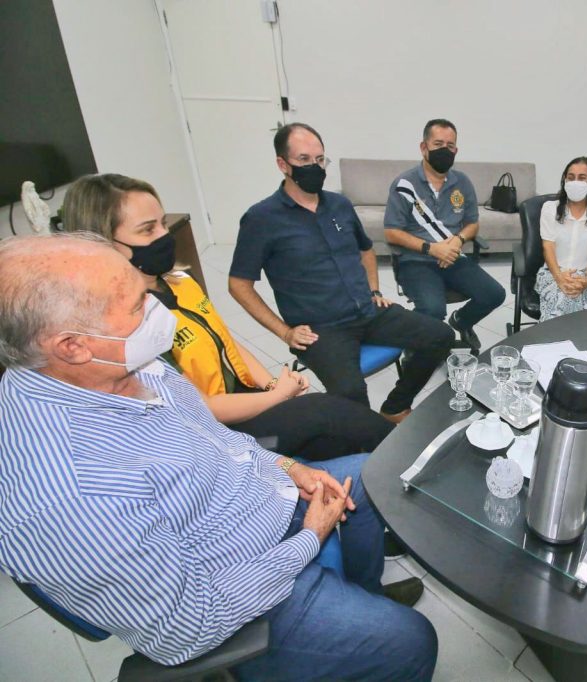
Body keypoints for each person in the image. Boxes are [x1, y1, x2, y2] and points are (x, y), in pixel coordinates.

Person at [0, 233, 437, 680]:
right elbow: (186, 627)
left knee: (373, 474)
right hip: (238, 592)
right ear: (72, 346)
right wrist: (311, 536)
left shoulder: (121, 362)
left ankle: (363, 598)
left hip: (257, 501)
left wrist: (288, 467)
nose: (157, 307)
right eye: (137, 304)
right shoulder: (70, 495)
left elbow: (221, 442)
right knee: (412, 641)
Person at [61, 173, 394, 460]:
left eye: (163, 223)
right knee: (327, 411)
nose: (164, 235)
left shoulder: (180, 282)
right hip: (218, 432)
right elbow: (197, 406)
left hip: (248, 401)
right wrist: (277, 397)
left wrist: (271, 385)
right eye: (148, 230)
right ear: (103, 244)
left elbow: (224, 340)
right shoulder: (124, 326)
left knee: (340, 439)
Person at [229, 123, 454, 424]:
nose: (315, 167)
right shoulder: (261, 218)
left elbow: (366, 250)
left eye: (320, 159)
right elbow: (238, 284)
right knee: (351, 393)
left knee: (441, 336)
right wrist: (285, 332)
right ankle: (367, 442)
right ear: (283, 164)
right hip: (320, 328)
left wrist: (374, 291)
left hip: (367, 311)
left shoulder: (340, 205)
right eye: (304, 160)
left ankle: (395, 407)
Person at [383, 118, 505, 352]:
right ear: (424, 147)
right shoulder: (404, 184)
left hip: (453, 258)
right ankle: (418, 346)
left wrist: (458, 240)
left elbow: (472, 224)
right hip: (417, 261)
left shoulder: (462, 182)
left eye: (450, 146)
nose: (444, 150)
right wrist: (431, 248)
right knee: (433, 309)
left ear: (456, 150)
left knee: (494, 294)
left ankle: (461, 321)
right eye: (438, 144)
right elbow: (391, 232)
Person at [535, 156, 587, 321]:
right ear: (565, 180)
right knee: (564, 299)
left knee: (571, 299)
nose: (575, 182)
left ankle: (556, 334)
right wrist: (559, 277)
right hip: (553, 272)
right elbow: (548, 247)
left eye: (582, 178)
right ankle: (561, 335)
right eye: (571, 177)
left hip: (584, 276)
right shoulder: (550, 209)